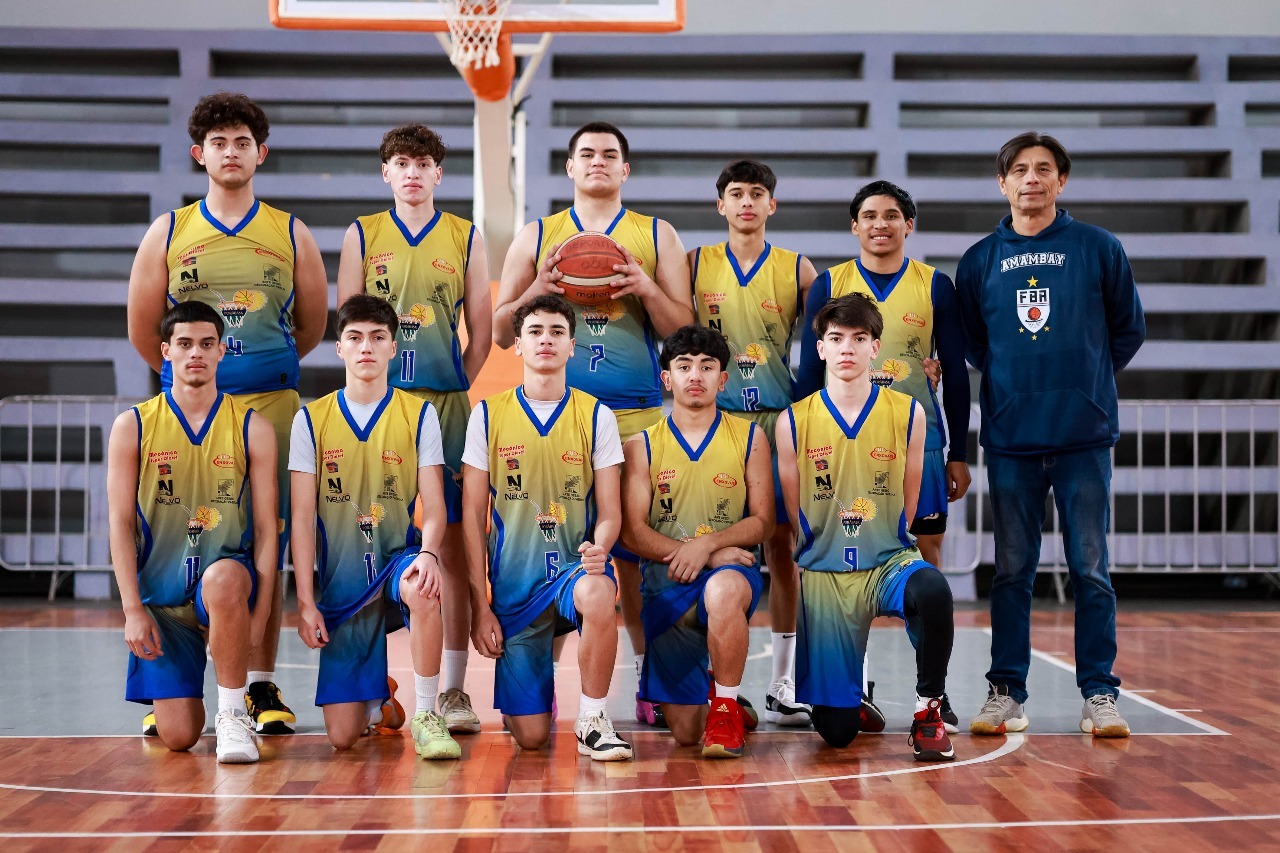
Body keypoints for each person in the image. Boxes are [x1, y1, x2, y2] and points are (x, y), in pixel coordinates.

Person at [127, 92, 328, 736]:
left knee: (266, 539)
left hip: (270, 402)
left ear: (260, 153)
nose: (231, 152)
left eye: (243, 142)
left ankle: (259, 684)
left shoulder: (290, 231)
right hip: (187, 409)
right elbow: (145, 330)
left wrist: (254, 370)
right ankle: (174, 683)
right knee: (176, 533)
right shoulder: (169, 231)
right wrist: (195, 377)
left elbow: (312, 326)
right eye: (219, 143)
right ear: (199, 154)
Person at [493, 121, 694, 727]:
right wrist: (537, 288)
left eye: (610, 154)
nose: (598, 162)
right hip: (552, 418)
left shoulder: (656, 235)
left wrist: (646, 287)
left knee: (633, 552)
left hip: (635, 416)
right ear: (570, 168)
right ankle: (545, 687)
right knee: (558, 549)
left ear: (625, 169)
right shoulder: (538, 235)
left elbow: (683, 331)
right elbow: (501, 330)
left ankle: (645, 681)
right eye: (587, 154)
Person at [956, 132, 1145, 739]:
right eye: (1019, 170)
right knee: (1012, 572)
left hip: (1083, 436)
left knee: (1091, 569)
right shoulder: (979, 260)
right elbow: (976, 346)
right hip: (1012, 437)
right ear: (1002, 183)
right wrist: (1019, 385)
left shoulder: (1098, 246)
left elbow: (1128, 330)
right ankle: (1006, 691)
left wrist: (1084, 381)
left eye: (1043, 169)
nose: (1031, 179)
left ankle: (1099, 693)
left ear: (1062, 181)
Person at [795, 179, 971, 732]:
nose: (880, 224)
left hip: (917, 436)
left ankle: (932, 691)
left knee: (922, 559)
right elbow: (807, 372)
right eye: (869, 215)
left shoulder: (936, 285)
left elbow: (956, 372)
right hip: (840, 441)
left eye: (892, 215)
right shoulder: (829, 283)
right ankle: (857, 686)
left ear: (908, 225)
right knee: (848, 558)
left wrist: (959, 451)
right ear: (854, 226)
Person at [337, 123, 491, 736]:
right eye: (401, 163)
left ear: (438, 173)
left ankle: (452, 689)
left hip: (445, 405)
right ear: (386, 172)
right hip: (378, 407)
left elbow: (481, 332)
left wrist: (449, 387)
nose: (412, 172)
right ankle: (373, 683)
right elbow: (350, 325)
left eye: (423, 163)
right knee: (367, 533)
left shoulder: (465, 235)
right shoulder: (361, 234)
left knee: (448, 544)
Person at [777, 294, 956, 762]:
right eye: (836, 338)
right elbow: (795, 509)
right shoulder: (792, 421)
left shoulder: (909, 413)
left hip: (888, 562)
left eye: (859, 339)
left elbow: (909, 502)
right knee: (836, 734)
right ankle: (847, 696)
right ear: (820, 348)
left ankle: (929, 710)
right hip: (826, 575)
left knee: (933, 590)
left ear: (875, 347)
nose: (847, 348)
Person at [461, 295, 632, 761]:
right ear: (517, 344)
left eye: (557, 332)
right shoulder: (487, 414)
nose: (546, 340)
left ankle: (593, 718)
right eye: (535, 332)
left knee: (598, 591)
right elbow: (473, 518)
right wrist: (480, 606)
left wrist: (600, 547)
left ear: (572, 346)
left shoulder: (596, 415)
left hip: (573, 572)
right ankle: (537, 684)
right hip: (515, 586)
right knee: (531, 738)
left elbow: (611, 511)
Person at [107, 301, 278, 763]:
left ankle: (233, 716)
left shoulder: (252, 427)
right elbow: (119, 523)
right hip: (162, 601)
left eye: (206, 344)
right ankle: (193, 698)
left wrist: (262, 611)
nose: (195, 353)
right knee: (179, 736)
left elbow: (267, 529)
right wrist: (132, 610)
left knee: (222, 580)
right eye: (184, 344)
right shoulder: (133, 426)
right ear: (166, 351)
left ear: (222, 351)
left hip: (224, 580)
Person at [289, 295, 454, 757]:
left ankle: (427, 713)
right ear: (339, 348)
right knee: (343, 738)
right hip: (343, 581)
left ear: (393, 347)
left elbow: (435, 507)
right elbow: (301, 519)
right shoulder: (310, 420)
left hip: (397, 561)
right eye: (355, 337)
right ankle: (381, 699)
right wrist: (305, 602)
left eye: (378, 337)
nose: (366, 347)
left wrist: (429, 554)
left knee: (423, 587)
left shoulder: (419, 413)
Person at [689, 159, 819, 727]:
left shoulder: (797, 268)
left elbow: (838, 333)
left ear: (772, 204)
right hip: (712, 424)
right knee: (710, 545)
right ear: (720, 205)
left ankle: (783, 682)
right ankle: (712, 681)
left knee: (783, 550)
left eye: (757, 193)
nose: (747, 202)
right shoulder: (694, 263)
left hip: (777, 419)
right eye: (736, 194)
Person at [621, 325, 774, 758]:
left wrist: (707, 546)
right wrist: (699, 554)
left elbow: (763, 522)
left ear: (722, 380)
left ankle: (725, 709)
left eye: (707, 367)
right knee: (686, 734)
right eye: (684, 366)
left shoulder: (750, 437)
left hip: (730, 572)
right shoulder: (641, 446)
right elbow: (632, 532)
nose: (695, 375)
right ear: (666, 378)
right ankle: (715, 688)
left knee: (723, 589)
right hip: (668, 582)